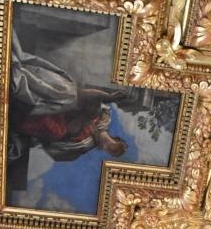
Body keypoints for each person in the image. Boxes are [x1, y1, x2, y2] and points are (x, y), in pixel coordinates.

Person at [9, 34, 129, 163]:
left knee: (57, 131)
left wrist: (73, 128)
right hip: (60, 101)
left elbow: (57, 149)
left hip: (46, 121)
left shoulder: (84, 145)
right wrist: (107, 97)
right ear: (115, 139)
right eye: (114, 147)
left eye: (111, 152)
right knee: (70, 96)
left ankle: (20, 107)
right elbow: (84, 96)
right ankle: (24, 82)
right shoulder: (103, 117)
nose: (109, 147)